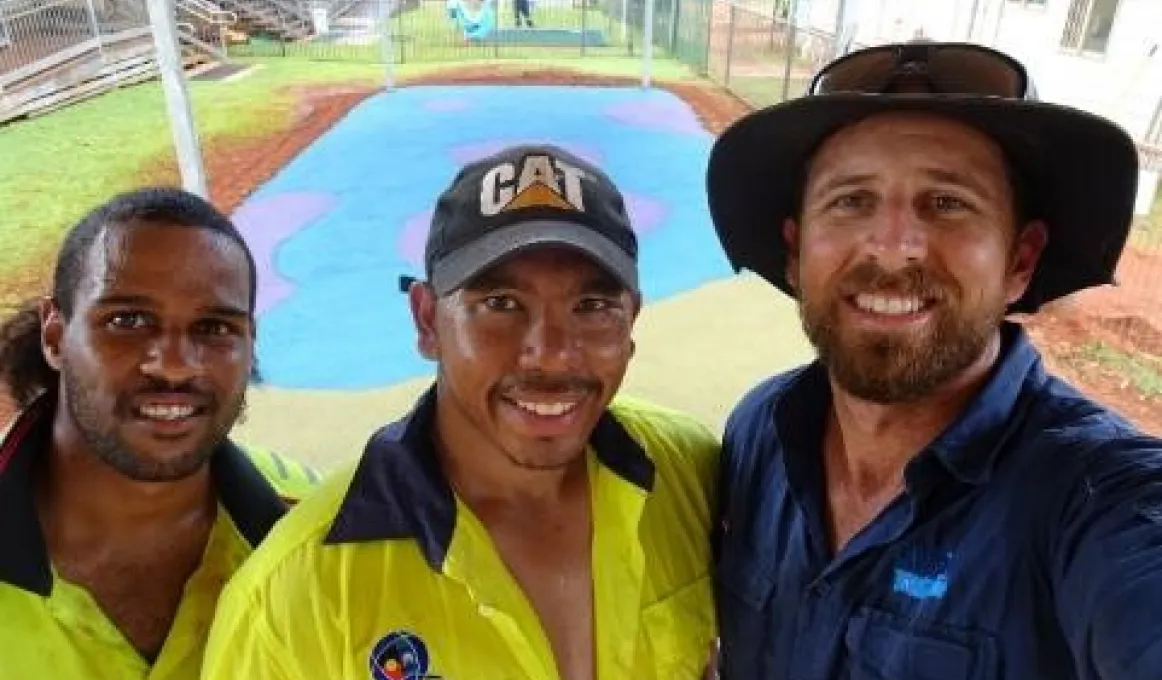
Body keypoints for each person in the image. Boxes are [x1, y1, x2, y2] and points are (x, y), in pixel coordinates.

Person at [705, 40, 1162, 679]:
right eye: (850, 201)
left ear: (1020, 261)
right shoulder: (758, 431)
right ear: (794, 252)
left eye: (948, 203)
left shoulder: (1097, 498)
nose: (893, 249)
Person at [201, 144, 719, 680]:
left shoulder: (692, 473)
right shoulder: (290, 600)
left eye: (592, 307)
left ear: (630, 321)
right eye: (501, 305)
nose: (551, 353)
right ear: (427, 321)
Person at [0, 187, 318, 679]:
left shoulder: (320, 526)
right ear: (55, 335)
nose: (173, 366)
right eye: (127, 320)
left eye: (214, 328)